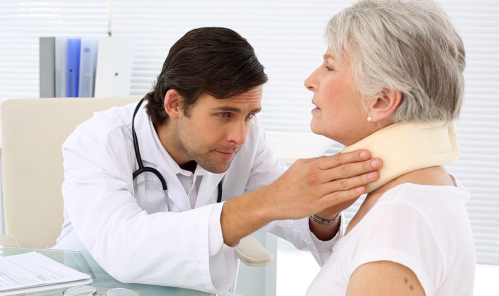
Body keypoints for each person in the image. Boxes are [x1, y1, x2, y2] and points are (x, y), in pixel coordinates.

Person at [54, 27, 382, 294]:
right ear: (174, 104)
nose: (239, 136)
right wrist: (269, 201)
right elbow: (122, 249)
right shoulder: (100, 140)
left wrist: (322, 214)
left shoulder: (247, 138)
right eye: (224, 114)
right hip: (92, 287)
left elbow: (291, 217)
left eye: (249, 115)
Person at [303, 0, 476, 296]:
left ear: (381, 100)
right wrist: (323, 216)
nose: (310, 80)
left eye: (329, 66)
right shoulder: (423, 193)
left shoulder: (401, 218)